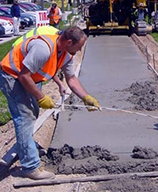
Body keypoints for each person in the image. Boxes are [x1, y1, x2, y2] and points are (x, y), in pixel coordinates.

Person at [0, 26, 100, 180]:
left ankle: (26, 146)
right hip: (12, 76)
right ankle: (31, 167)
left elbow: (71, 79)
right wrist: (41, 97)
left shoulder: (67, 54)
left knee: (32, 113)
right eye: (79, 47)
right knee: (24, 117)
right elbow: (23, 76)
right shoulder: (43, 49)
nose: (80, 51)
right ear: (68, 42)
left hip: (31, 78)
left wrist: (86, 97)